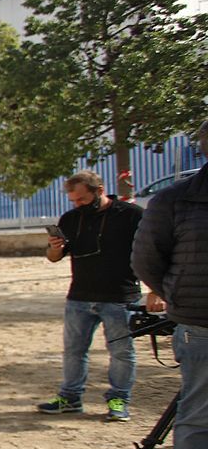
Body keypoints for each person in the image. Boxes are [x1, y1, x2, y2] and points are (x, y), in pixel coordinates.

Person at [131, 124, 208, 449]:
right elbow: (146, 260)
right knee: (199, 414)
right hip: (201, 325)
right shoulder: (176, 200)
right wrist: (179, 295)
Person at [38, 170, 145, 421]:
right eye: (74, 201)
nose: (78, 205)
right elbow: (54, 258)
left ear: (99, 191)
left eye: (82, 199)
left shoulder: (131, 215)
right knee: (73, 351)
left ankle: (119, 400)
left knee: (121, 352)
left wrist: (155, 290)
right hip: (79, 297)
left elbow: (151, 251)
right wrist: (54, 248)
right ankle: (70, 398)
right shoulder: (71, 218)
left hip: (119, 297)